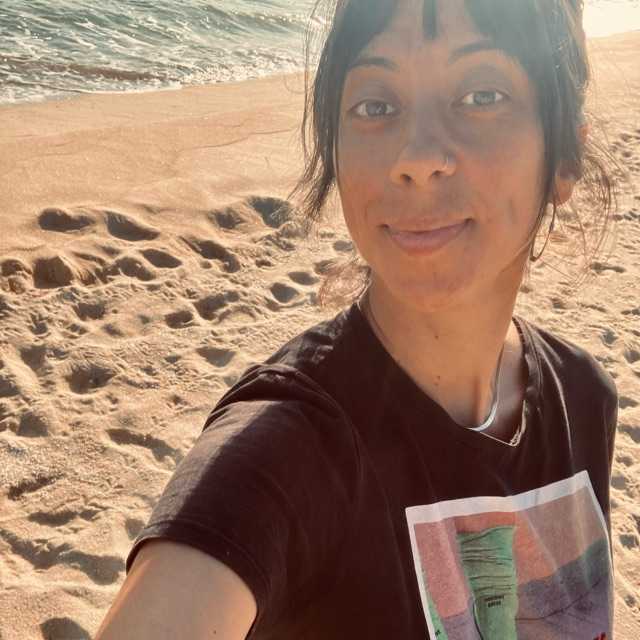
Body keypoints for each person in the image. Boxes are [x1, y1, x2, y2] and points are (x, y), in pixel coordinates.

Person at [95, 0, 619, 638]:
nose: (416, 155)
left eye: (482, 95)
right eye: (376, 106)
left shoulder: (583, 398)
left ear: (564, 159)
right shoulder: (288, 448)